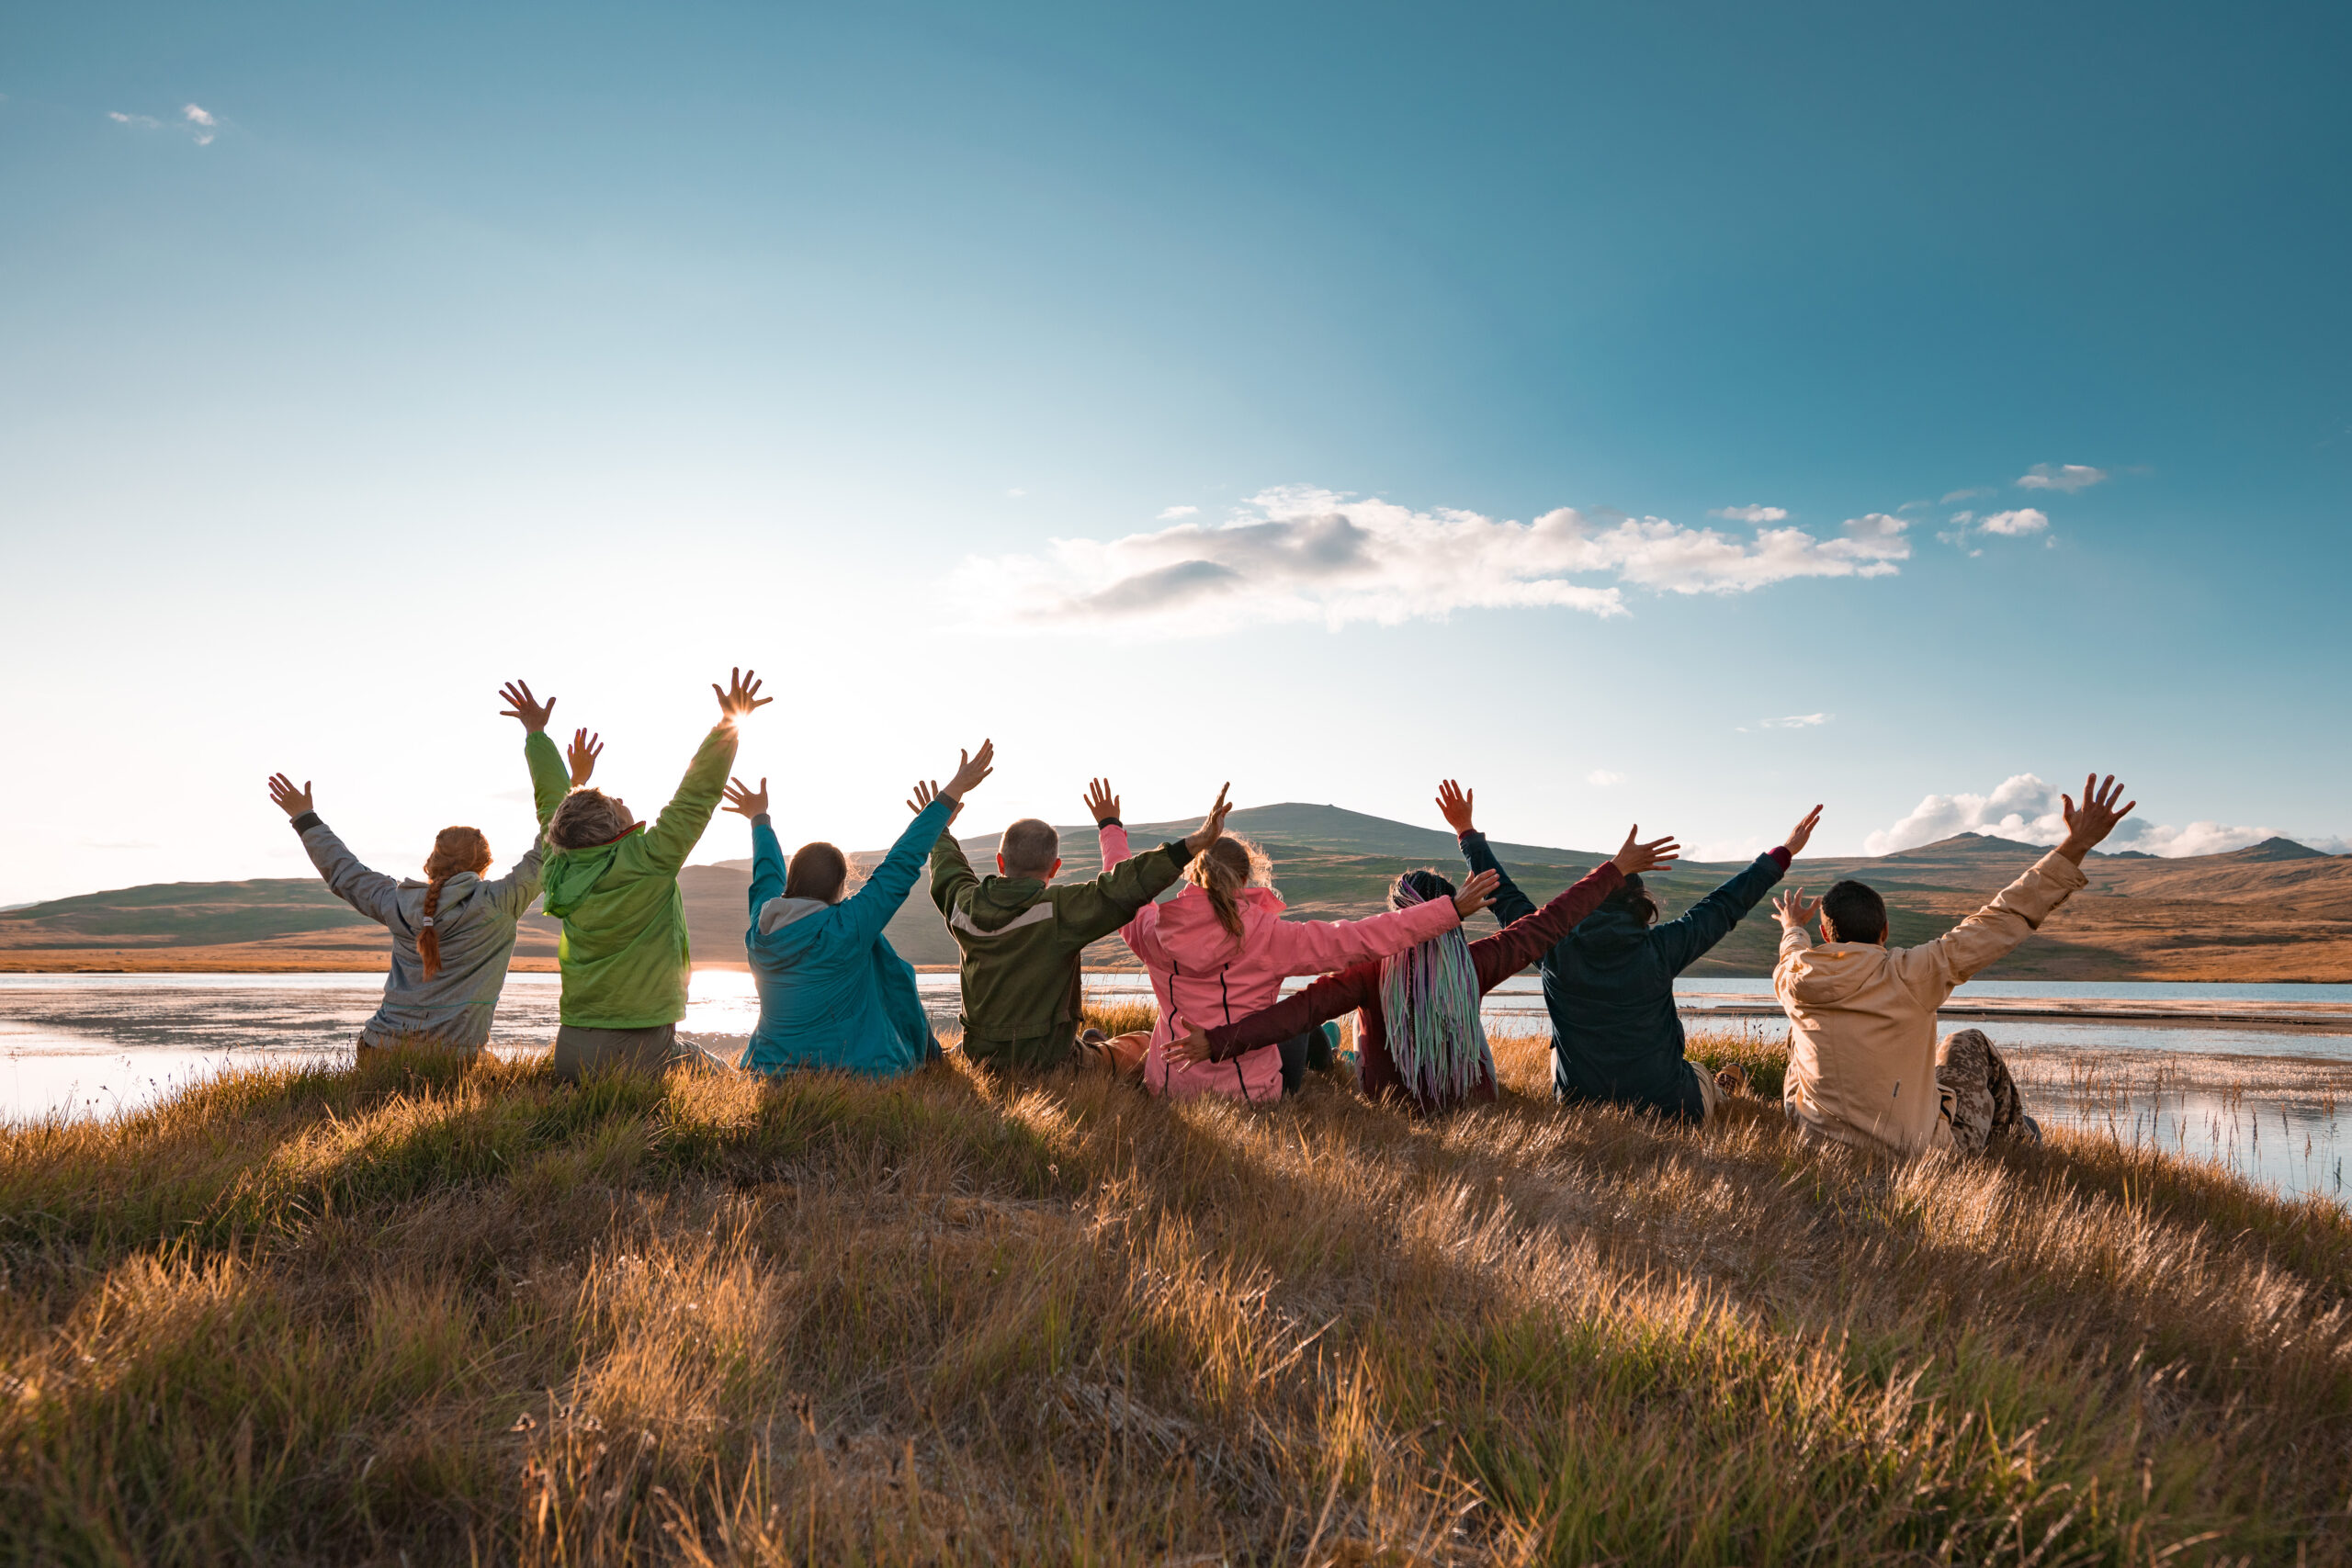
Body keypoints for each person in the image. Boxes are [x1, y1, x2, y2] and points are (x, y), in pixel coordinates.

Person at [1169, 826, 1683, 1115]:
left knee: (1320, 1029)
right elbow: (1546, 925)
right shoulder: (1475, 964)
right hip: (1472, 1100)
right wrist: (1613, 870)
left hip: (1387, 1102)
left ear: (1401, 920)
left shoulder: (1371, 972)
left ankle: (1341, 1052)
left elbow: (1292, 1015)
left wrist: (1218, 1042)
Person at [1771, 773, 2134, 1156]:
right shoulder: (1912, 973)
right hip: (1914, 1154)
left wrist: (1794, 926)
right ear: (1885, 931)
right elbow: (2001, 917)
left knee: (1799, 1034)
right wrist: (2076, 844)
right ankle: (2019, 1141)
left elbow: (1792, 950)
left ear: (1827, 936)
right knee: (1967, 1042)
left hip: (1817, 1147)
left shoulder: (1794, 978)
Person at [1088, 776, 1505, 1102]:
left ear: (1193, 874)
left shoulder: (1153, 929)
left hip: (1170, 1089)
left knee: (1288, 1023)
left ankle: (1330, 1044)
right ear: (1248, 878)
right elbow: (1364, 937)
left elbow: (1121, 889)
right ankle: (1333, 1050)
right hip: (1251, 1096)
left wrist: (1110, 827)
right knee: (1293, 1025)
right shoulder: (1270, 936)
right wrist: (1451, 910)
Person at [1442, 779, 1821, 1123]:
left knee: (1557, 1054)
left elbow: (1503, 896)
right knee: (1700, 1074)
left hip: (1577, 1104)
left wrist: (1466, 832)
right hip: (1672, 1106)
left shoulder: (1552, 947)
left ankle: (1713, 1086)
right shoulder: (1661, 948)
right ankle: (1719, 1088)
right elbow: (1724, 905)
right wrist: (1784, 852)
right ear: (1640, 904)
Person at [264, 679, 587, 1061]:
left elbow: (344, 873)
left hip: (379, 1048)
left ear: (430, 864)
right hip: (454, 1057)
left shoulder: (398, 902)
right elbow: (551, 841)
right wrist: (565, 771)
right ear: (485, 864)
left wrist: (305, 817)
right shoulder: (500, 902)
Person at [537, 668, 770, 1080]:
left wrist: (541, 741)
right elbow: (695, 796)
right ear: (616, 826)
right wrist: (729, 724)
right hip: (641, 1049)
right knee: (732, 1083)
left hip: (570, 1052)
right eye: (615, 802)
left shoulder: (558, 869)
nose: (623, 799)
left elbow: (548, 808)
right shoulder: (650, 859)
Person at [727, 742, 996, 1077]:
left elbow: (766, 873)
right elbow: (901, 862)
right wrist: (952, 792)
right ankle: (929, 1058)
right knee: (879, 950)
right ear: (839, 886)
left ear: (792, 881)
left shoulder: (762, 924)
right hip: (856, 1071)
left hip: (767, 1070)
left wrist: (759, 818)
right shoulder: (847, 926)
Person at [928, 777, 1234, 1072]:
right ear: (1056, 867)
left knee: (1096, 1047)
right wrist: (1193, 843)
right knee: (1142, 1043)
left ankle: (1091, 1044)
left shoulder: (964, 905)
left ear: (1000, 862)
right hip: (1052, 1063)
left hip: (981, 1058)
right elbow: (1125, 885)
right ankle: (1096, 1046)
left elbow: (949, 870)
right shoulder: (1060, 910)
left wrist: (938, 828)